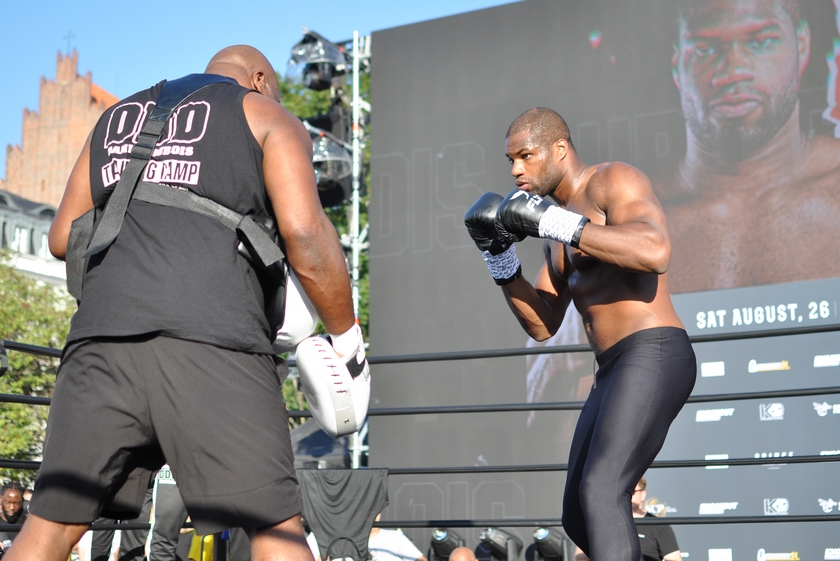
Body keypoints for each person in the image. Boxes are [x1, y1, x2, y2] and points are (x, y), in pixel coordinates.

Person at [6, 45, 363, 561]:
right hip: (213, 336)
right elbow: (306, 234)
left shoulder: (115, 117)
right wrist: (347, 337)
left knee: (49, 529)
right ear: (259, 79)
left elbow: (62, 238)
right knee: (275, 530)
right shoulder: (266, 115)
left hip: (100, 338)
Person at [464, 108, 696, 561]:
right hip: (610, 370)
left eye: (526, 156)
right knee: (577, 513)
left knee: (603, 488)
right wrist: (499, 258)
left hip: (654, 351)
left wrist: (558, 225)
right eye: (511, 160)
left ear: (559, 149)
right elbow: (543, 323)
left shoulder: (612, 180)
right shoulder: (552, 229)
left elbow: (655, 250)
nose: (515, 170)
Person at [659, 0, 840, 292]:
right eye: (705, 49)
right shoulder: (629, 217)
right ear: (676, 63)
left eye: (761, 42)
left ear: (802, 45)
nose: (733, 72)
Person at [574, 477, 681, 561]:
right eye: (622, 491)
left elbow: (674, 559)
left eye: (632, 491)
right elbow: (580, 557)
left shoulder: (658, 525)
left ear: (643, 494)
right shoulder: (602, 522)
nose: (627, 496)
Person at [0, 482, 27, 554]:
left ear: (22, 501)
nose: (12, 508)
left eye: (16, 503)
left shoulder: (29, 524)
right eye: (8, 502)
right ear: (1, 499)